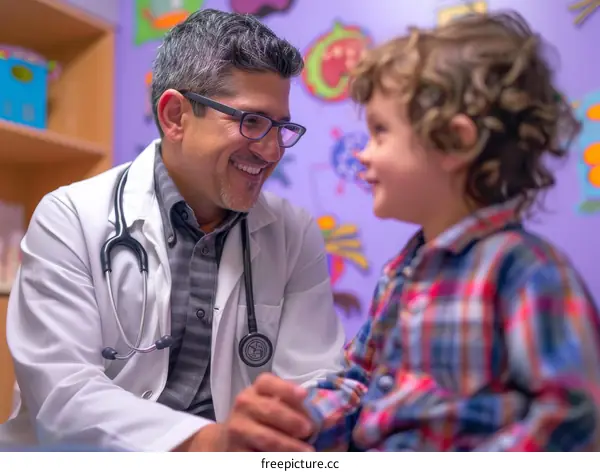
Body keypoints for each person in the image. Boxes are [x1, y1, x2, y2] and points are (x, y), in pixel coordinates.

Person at [249, 11, 600, 452]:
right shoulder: (404, 271)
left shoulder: (527, 272)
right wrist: (295, 422)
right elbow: (358, 384)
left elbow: (571, 417)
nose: (364, 155)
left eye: (380, 133)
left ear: (455, 143)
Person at [0, 9, 345, 452]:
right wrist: (208, 445)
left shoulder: (293, 233)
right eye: (253, 122)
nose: (273, 149)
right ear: (175, 115)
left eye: (282, 127)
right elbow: (62, 396)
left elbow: (313, 377)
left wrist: (296, 432)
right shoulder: (70, 216)